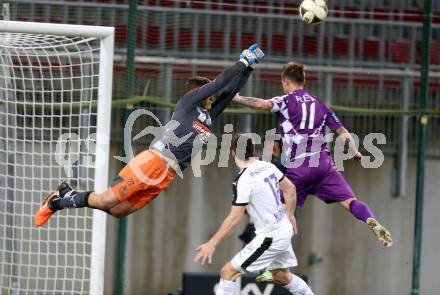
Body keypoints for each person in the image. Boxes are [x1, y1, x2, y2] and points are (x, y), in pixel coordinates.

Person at [34, 44, 265, 227]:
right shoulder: (188, 103)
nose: (212, 97)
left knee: (117, 211)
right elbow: (222, 82)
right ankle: (56, 202)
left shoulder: (208, 116)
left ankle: (69, 194)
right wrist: (242, 60)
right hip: (154, 161)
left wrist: (250, 68)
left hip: (167, 175)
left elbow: (230, 90)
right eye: (208, 93)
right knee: (107, 200)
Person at [232, 61, 393, 250]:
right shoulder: (320, 105)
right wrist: (355, 152)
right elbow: (343, 132)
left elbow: (261, 104)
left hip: (298, 168)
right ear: (303, 80)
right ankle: (371, 220)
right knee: (350, 202)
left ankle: (270, 259)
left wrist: (237, 98)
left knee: (279, 211)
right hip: (324, 166)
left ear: (285, 81)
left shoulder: (286, 101)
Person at [194, 135, 314, 295]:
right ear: (253, 150)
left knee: (227, 272)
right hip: (284, 229)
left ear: (233, 152)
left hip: (270, 237)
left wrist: (212, 243)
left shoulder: (242, 180)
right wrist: (290, 215)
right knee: (281, 276)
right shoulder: (267, 166)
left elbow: (234, 218)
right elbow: (290, 189)